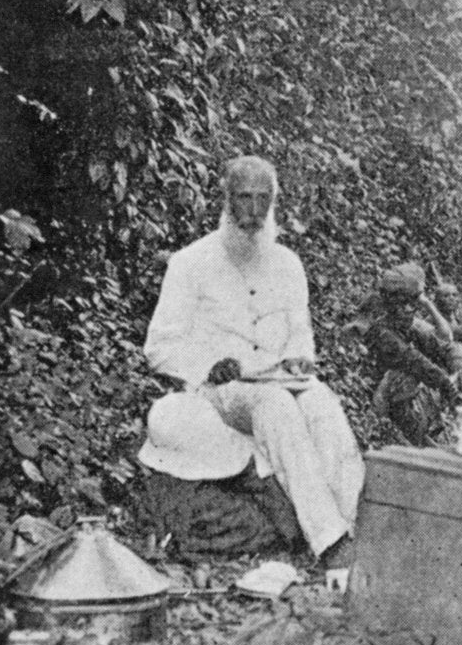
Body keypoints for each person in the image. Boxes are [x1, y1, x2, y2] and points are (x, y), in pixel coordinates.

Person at [143, 154, 364, 566]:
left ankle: (358, 525)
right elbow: (160, 346)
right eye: (244, 198)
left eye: (264, 199)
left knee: (323, 404)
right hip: (221, 390)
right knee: (275, 407)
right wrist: (208, 365)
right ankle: (330, 542)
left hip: (280, 379)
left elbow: (301, 336)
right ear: (225, 199)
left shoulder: (288, 265)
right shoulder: (190, 263)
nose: (254, 211)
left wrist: (300, 361)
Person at [354, 263, 462, 446]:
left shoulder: (404, 323)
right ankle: (409, 438)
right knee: (404, 377)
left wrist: (455, 361)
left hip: (392, 394)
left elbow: (442, 343)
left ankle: (423, 438)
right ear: (391, 306)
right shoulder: (383, 330)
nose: (408, 310)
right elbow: (414, 360)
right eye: (402, 305)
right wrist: (447, 385)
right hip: (376, 399)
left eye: (412, 304)